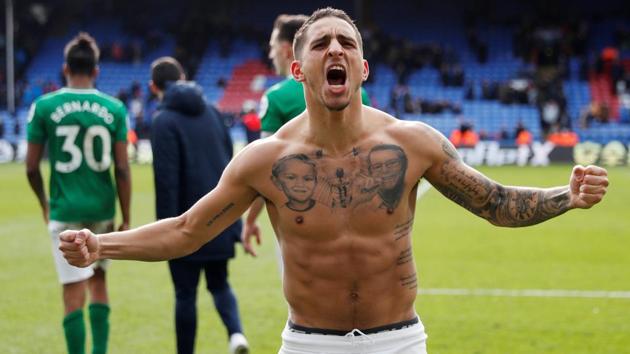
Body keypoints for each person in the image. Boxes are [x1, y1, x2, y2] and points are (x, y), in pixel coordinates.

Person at [60, 9, 609, 354]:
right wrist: (100, 244)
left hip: (399, 341)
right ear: (298, 70)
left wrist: (567, 196)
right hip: (308, 345)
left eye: (346, 42)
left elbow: (494, 202)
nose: (335, 50)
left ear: (363, 68)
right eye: (320, 44)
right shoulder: (263, 160)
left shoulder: (412, 142)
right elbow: (186, 231)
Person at [26, 32, 131, 354]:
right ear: (97, 70)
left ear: (64, 69)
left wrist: (45, 204)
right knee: (98, 281)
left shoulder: (44, 105)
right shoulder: (114, 107)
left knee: (73, 290)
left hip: (65, 210)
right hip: (102, 210)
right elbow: (123, 168)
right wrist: (125, 217)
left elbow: (31, 167)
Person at [242, 13, 372, 256]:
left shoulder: (276, 97)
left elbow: (265, 166)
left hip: (299, 218)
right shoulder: (355, 92)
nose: (270, 55)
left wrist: (250, 221)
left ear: (284, 49)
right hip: (355, 216)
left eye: (272, 47)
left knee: (305, 287)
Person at [148, 57, 249, 354]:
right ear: (182, 76)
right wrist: (235, 222)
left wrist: (164, 232)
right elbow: (232, 167)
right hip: (220, 218)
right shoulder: (214, 113)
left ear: (154, 87)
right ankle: (236, 334)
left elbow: (166, 181)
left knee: (185, 294)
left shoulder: (163, 121)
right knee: (220, 284)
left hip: (185, 224)